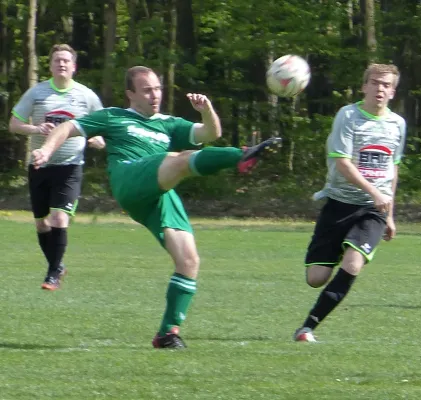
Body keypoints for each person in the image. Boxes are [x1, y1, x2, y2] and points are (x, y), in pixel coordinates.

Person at [31, 65, 282, 349]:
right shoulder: (114, 116)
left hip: (160, 191)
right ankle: (241, 156)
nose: (155, 95)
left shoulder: (169, 123)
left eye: (158, 89)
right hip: (130, 177)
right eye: (147, 90)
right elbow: (67, 127)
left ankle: (167, 334)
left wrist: (206, 110)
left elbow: (210, 133)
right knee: (179, 159)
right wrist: (46, 150)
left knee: (189, 261)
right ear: (130, 94)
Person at [293, 64, 406, 342]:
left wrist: (388, 212)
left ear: (393, 91)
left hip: (373, 210)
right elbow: (342, 163)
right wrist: (375, 192)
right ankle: (330, 263)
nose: (380, 88)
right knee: (316, 278)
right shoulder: (348, 116)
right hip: (339, 203)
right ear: (364, 86)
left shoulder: (398, 124)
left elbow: (393, 168)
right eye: (375, 83)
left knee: (353, 264)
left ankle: (307, 328)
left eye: (386, 85)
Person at [9, 44, 104, 291]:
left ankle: (52, 273)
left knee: (59, 217)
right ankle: (57, 266)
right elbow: (14, 124)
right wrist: (36, 129)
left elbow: (103, 129)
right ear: (50, 66)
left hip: (70, 166)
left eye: (66, 61)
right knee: (41, 223)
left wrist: (96, 140)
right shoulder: (37, 93)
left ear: (74, 66)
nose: (61, 64)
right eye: (56, 61)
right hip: (40, 164)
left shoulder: (87, 96)